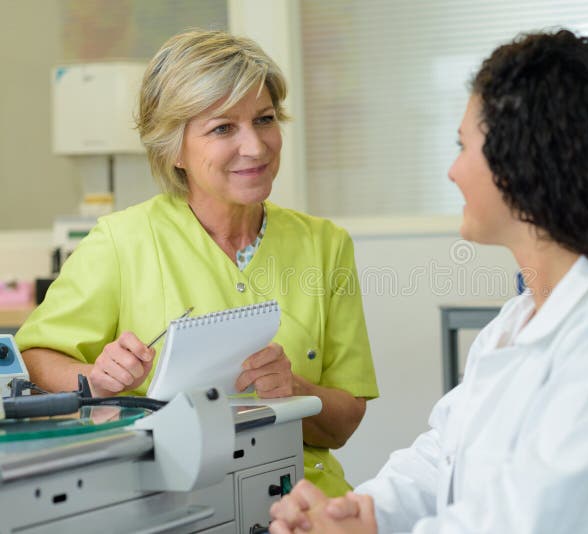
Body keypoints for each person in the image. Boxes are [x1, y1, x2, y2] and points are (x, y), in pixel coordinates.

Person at [268, 29, 588, 533]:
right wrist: (359, 511)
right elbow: (441, 456)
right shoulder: (519, 319)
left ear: (523, 161)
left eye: (463, 146)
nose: (453, 171)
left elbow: (537, 519)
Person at [15, 29, 379, 497]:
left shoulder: (326, 246)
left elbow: (345, 422)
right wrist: (94, 380)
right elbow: (32, 360)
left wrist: (293, 388)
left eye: (265, 120)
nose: (256, 146)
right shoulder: (121, 242)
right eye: (223, 128)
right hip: (167, 500)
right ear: (174, 148)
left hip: (303, 499)